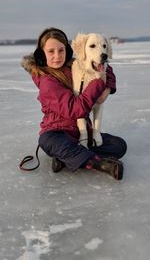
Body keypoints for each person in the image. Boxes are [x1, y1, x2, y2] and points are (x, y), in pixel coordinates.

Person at [21, 27, 127, 180]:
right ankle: (100, 164)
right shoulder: (47, 82)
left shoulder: (74, 66)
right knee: (52, 142)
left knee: (118, 145)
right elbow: (76, 110)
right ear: (41, 54)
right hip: (57, 133)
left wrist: (108, 84)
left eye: (61, 50)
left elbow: (103, 67)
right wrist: (98, 83)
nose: (57, 56)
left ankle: (66, 159)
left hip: (80, 132)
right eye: (51, 51)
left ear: (67, 51)